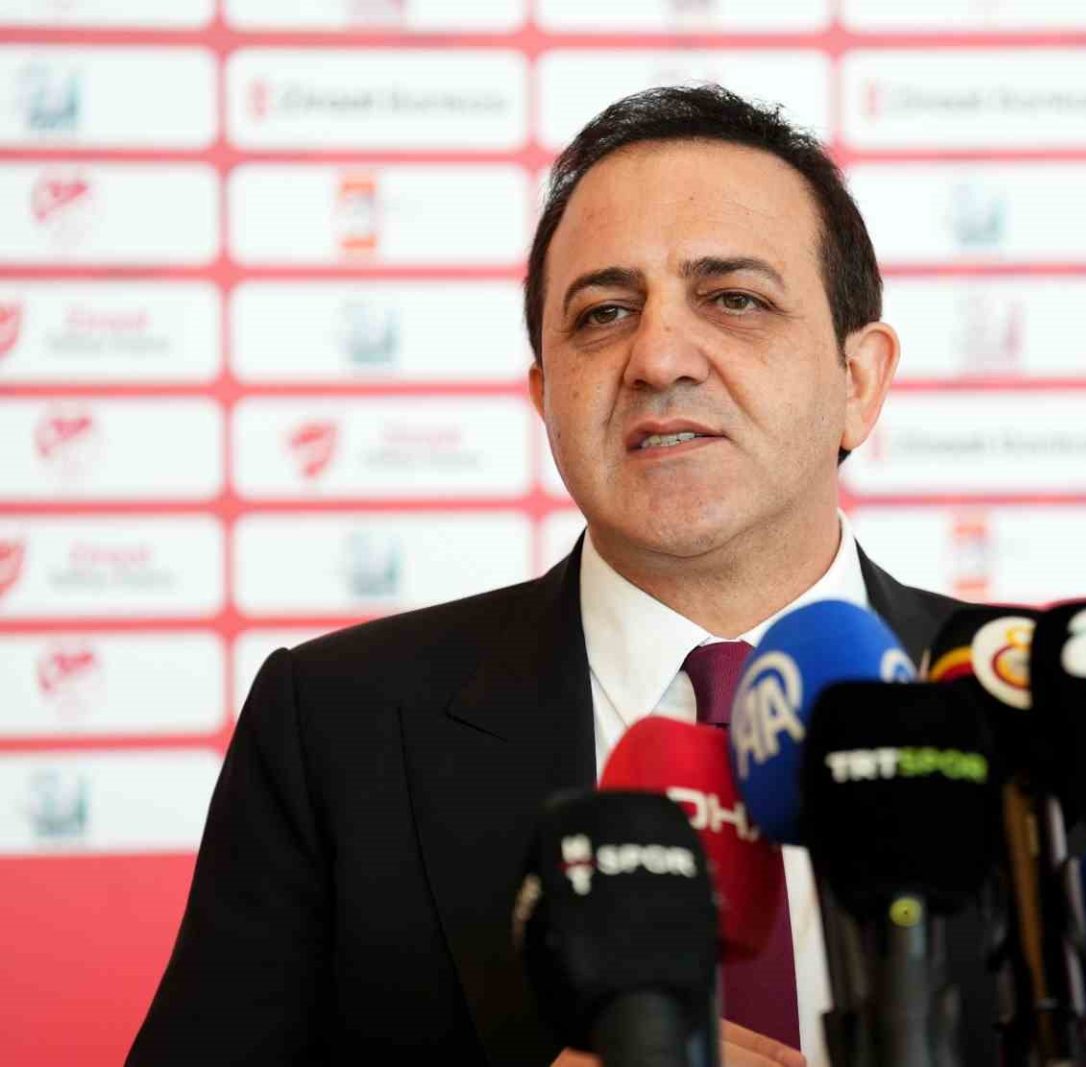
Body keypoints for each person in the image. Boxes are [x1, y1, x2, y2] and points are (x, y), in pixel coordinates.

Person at [128, 85, 996, 1067]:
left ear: (858, 380)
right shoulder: (336, 724)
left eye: (734, 299)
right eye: (604, 313)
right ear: (545, 394)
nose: (657, 357)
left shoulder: (1036, 708)